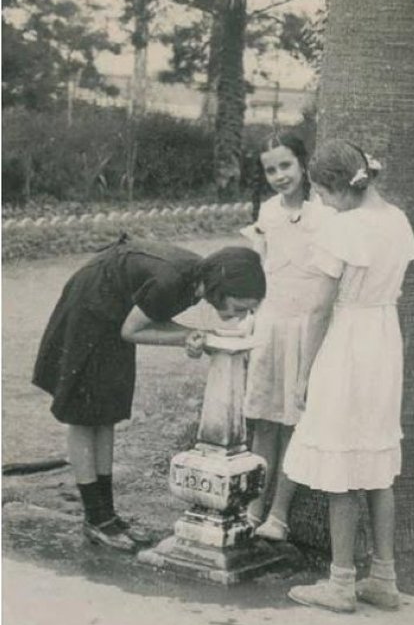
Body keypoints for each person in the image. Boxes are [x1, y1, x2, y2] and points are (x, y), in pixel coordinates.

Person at [32, 236, 265, 552]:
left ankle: (106, 516)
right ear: (222, 289)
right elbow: (133, 330)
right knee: (83, 417)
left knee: (106, 415)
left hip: (113, 311)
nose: (239, 317)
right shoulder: (173, 282)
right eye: (239, 307)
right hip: (89, 309)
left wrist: (190, 335)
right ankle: (96, 519)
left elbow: (146, 317)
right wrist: (189, 336)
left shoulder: (198, 277)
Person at [283, 139, 414, 612]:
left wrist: (304, 373)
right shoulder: (397, 221)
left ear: (339, 188)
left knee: (340, 463)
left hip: (347, 344)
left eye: (321, 193)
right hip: (384, 341)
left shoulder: (344, 229)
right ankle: (384, 576)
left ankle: (341, 582)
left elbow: (321, 307)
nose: (321, 202)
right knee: (377, 464)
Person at [241, 131, 336, 541]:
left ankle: (279, 514)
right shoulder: (266, 213)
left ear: (303, 164)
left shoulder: (326, 216)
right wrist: (252, 319)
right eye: (270, 169)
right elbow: (261, 271)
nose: (279, 176)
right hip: (271, 324)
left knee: (295, 423)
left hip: (307, 328)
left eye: (286, 166)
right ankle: (252, 507)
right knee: (264, 420)